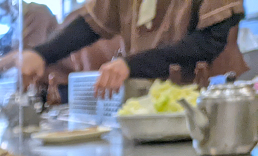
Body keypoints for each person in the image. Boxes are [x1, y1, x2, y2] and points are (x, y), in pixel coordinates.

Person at [15, 0, 246, 97]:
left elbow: (208, 42)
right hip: (149, 99)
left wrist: (130, 65)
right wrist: (41, 53)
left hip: (211, 95)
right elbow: (91, 24)